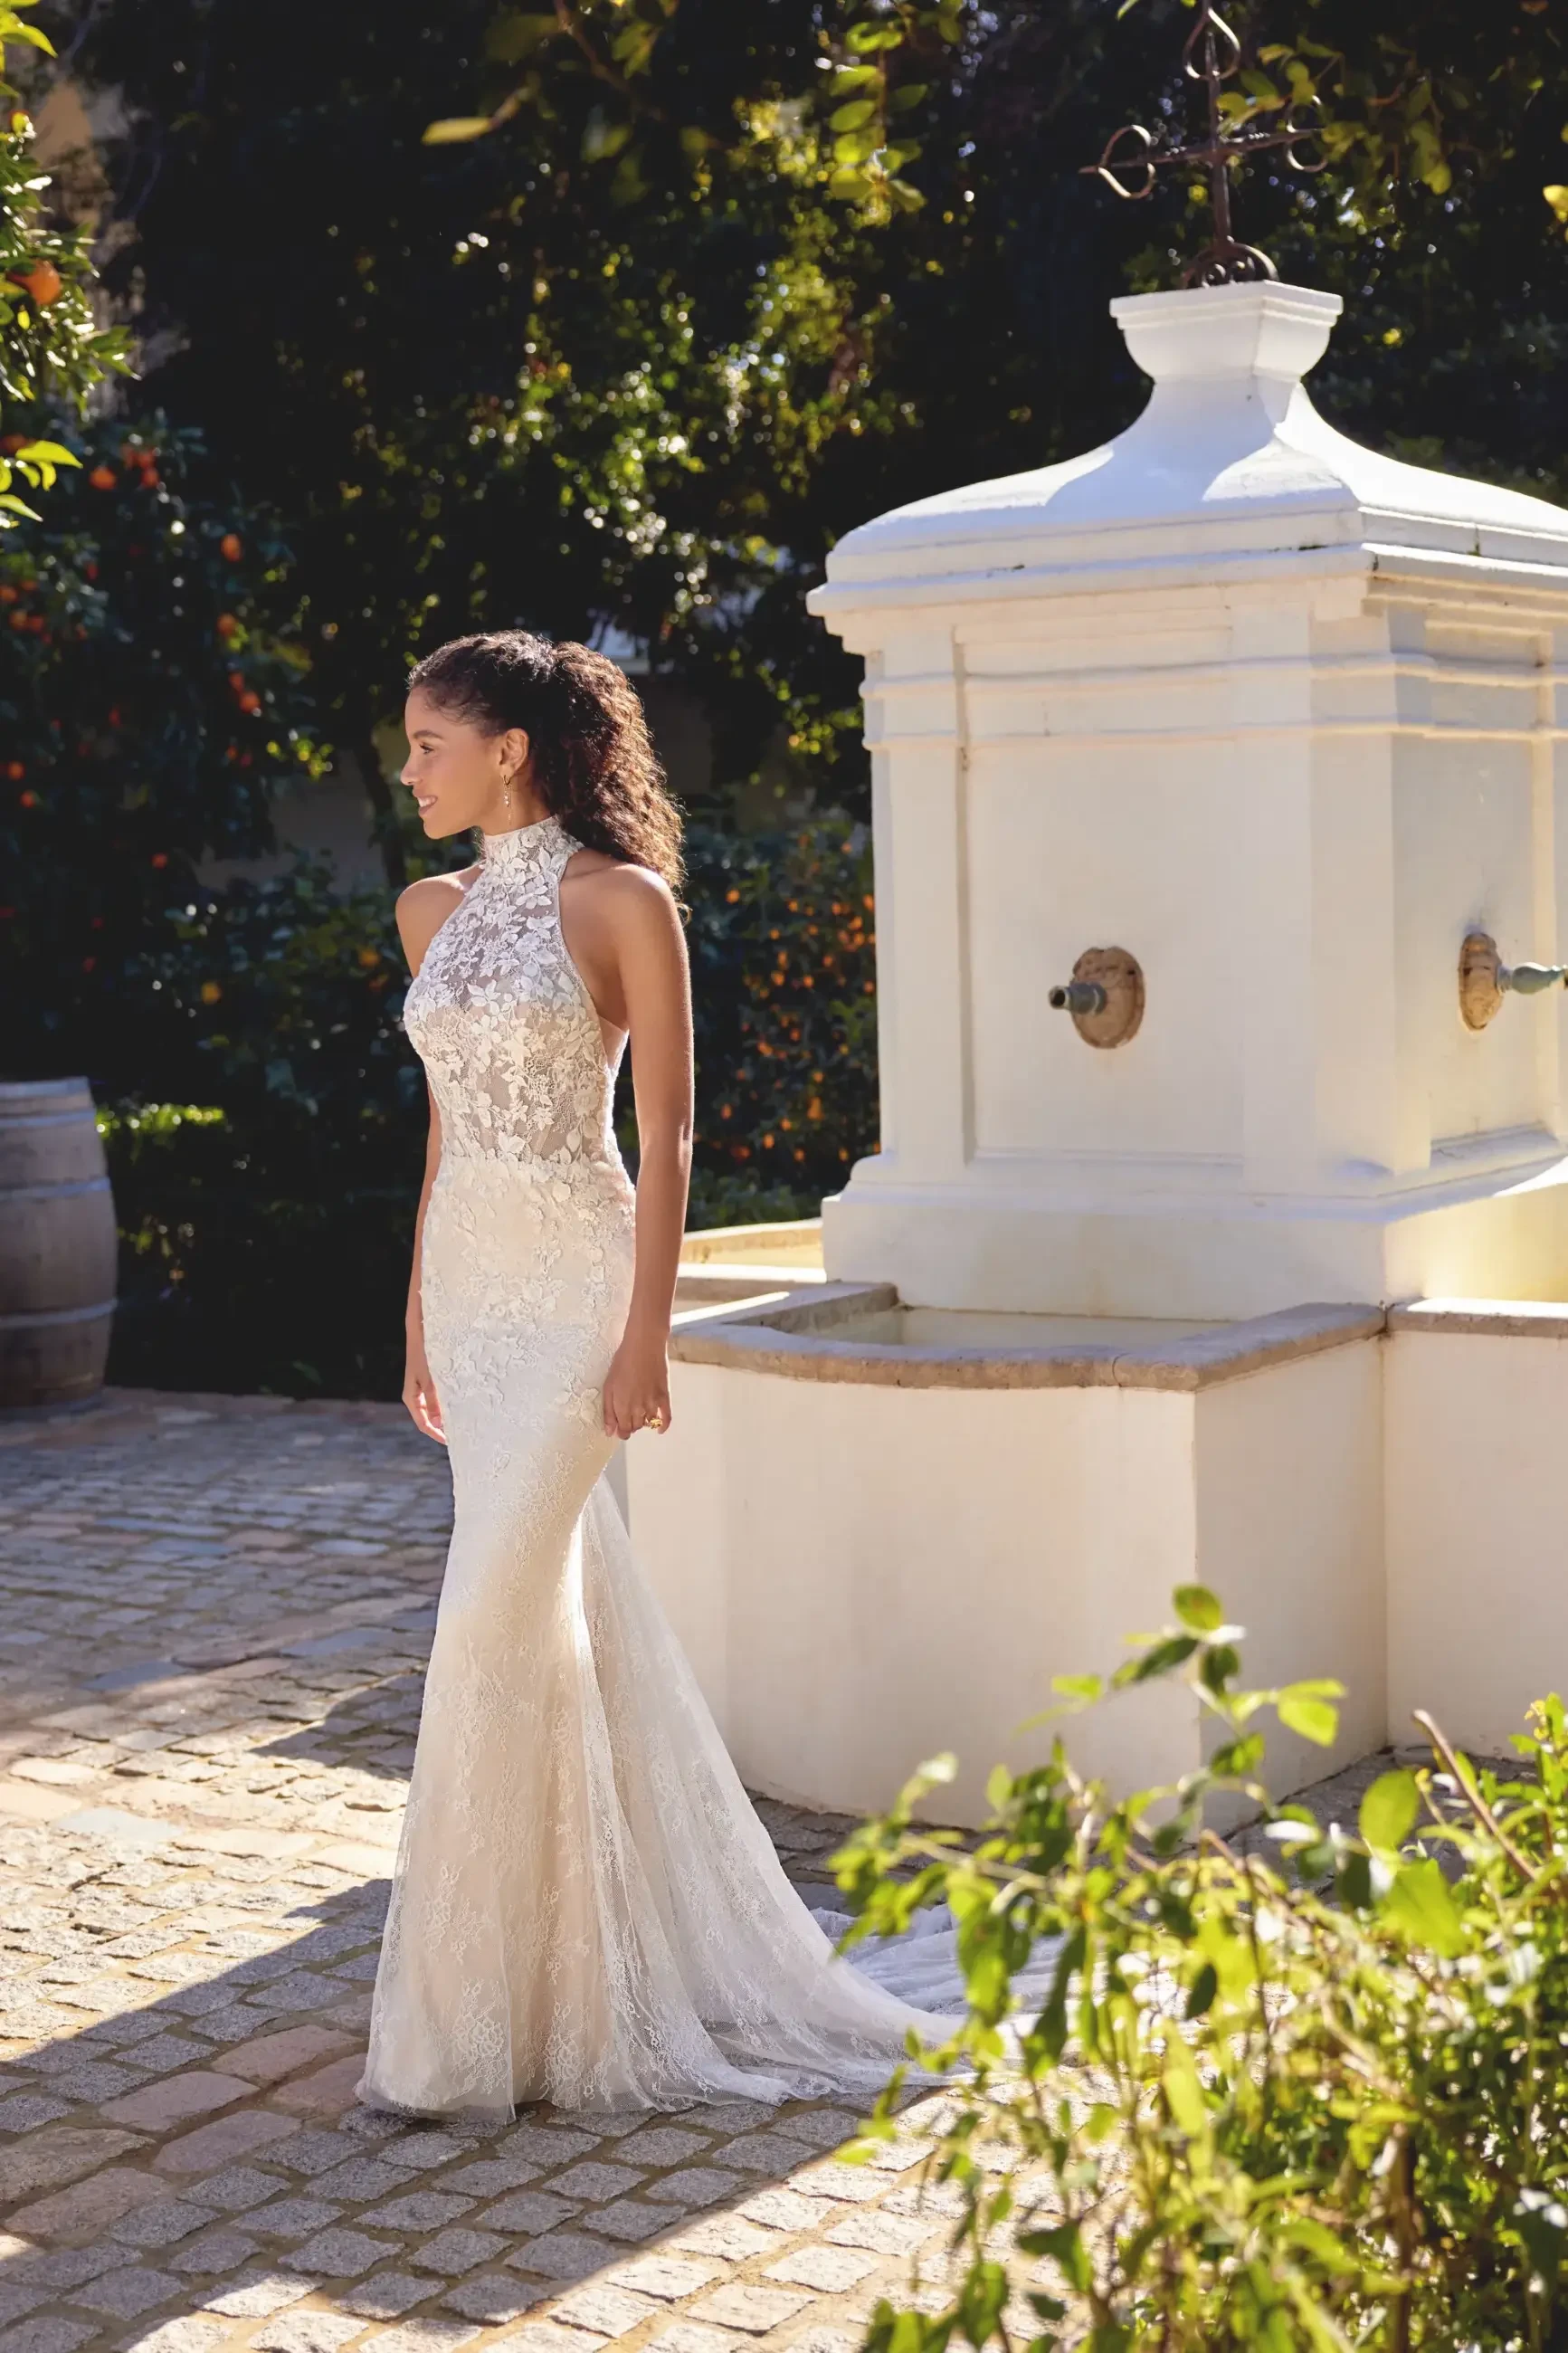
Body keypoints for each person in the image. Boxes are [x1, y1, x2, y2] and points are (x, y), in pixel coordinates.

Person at [356, 629, 946, 2117]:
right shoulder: (429, 911)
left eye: (429, 743)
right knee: (548, 1620)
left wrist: (645, 1330)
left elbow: (671, 1133)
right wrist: (420, 1311)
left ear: (511, 751)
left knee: (491, 1609)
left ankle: (459, 2035)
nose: (407, 767)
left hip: (574, 1284)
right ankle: (559, 1983)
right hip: (473, 1285)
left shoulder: (626, 902)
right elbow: (444, 1129)